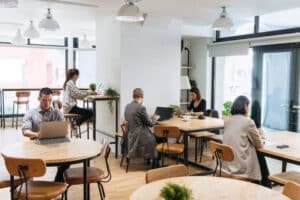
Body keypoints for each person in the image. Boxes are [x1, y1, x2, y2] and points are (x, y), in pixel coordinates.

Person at [22, 87, 68, 182]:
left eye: (49, 100)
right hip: (36, 145)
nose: (47, 103)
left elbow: (64, 129)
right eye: (44, 100)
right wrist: (38, 134)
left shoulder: (57, 113)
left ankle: (58, 182)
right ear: (39, 99)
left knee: (66, 161)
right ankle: (30, 186)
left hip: (54, 144)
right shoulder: (31, 113)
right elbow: (25, 131)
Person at [222, 95, 266, 182]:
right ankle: (265, 183)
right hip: (240, 167)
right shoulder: (248, 122)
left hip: (226, 165)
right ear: (245, 107)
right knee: (259, 155)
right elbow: (259, 145)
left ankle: (265, 183)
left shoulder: (227, 121)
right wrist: (261, 135)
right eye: (248, 106)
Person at [124, 88, 160, 167]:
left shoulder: (127, 106)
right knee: (153, 139)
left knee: (152, 137)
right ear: (142, 96)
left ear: (133, 96)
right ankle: (155, 162)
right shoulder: (141, 107)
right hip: (140, 135)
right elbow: (150, 124)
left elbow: (133, 118)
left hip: (130, 133)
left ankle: (150, 159)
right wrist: (155, 118)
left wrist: (148, 116)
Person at [62, 69, 97, 135]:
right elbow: (78, 94)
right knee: (90, 112)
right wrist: (89, 92)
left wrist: (83, 96)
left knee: (87, 112)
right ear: (75, 75)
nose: (78, 77)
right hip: (70, 108)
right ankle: (75, 123)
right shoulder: (70, 83)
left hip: (68, 107)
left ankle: (75, 124)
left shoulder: (68, 83)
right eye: (78, 76)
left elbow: (75, 94)